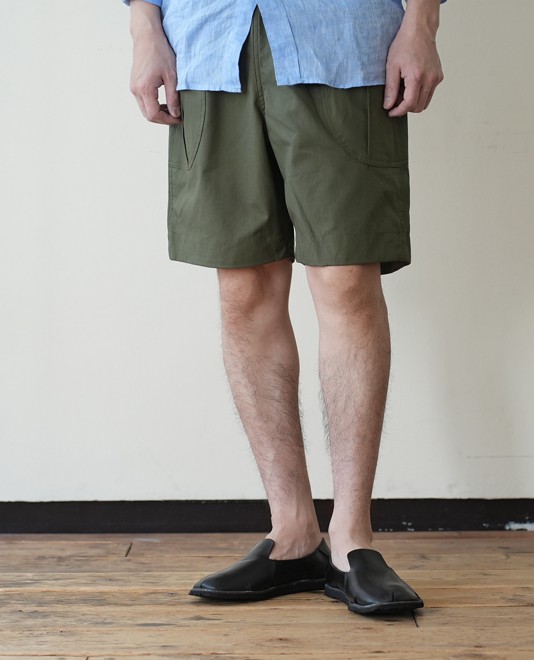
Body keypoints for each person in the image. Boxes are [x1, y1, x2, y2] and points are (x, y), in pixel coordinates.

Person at [127, 0, 445, 615]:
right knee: (243, 288)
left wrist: (422, 21)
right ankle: (293, 531)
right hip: (209, 42)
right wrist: (144, 25)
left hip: (343, 40)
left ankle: (352, 540)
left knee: (347, 279)